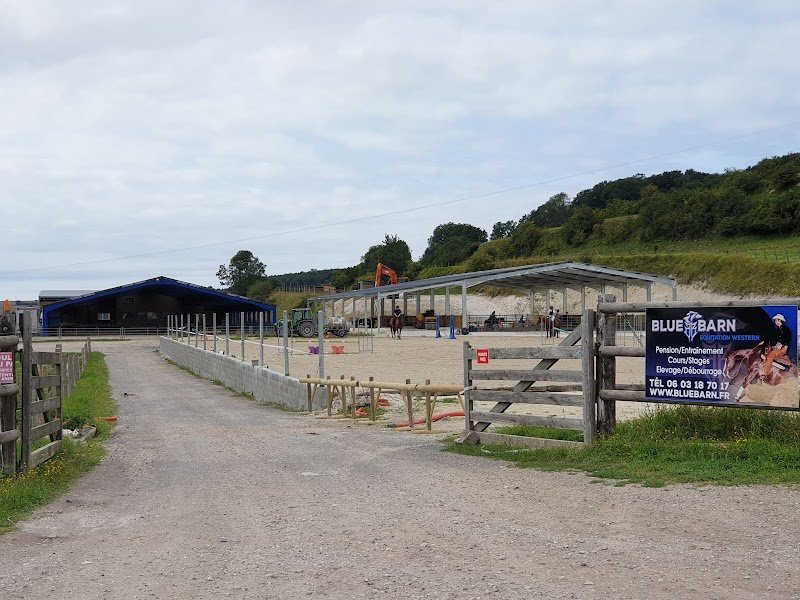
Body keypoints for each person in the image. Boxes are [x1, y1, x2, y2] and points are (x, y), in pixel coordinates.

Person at [763, 313, 792, 380]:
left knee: (770, 356)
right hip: (776, 348)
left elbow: (789, 339)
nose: (775, 322)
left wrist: (782, 344)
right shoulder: (777, 330)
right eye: (775, 320)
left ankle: (765, 373)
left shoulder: (786, 329)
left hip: (783, 348)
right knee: (766, 354)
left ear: (779, 320)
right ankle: (781, 367)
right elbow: (772, 339)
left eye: (776, 320)